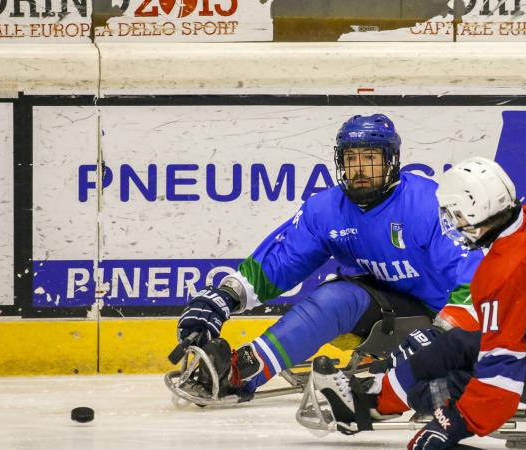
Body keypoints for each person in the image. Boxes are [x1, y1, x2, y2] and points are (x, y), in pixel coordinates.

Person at [311, 156, 526, 449]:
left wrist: (452, 425)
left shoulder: (500, 277)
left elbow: (499, 389)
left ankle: (379, 399)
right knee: (451, 344)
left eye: (454, 215)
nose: (452, 223)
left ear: (473, 212)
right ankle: (372, 396)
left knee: (439, 385)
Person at [175, 114, 482, 399]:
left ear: (392, 161)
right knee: (336, 298)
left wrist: (441, 337)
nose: (359, 168)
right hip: (397, 310)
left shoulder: (429, 203)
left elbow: (476, 280)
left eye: (370, 158)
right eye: (350, 158)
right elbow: (281, 261)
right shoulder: (326, 210)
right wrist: (224, 297)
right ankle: (240, 371)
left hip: (453, 320)